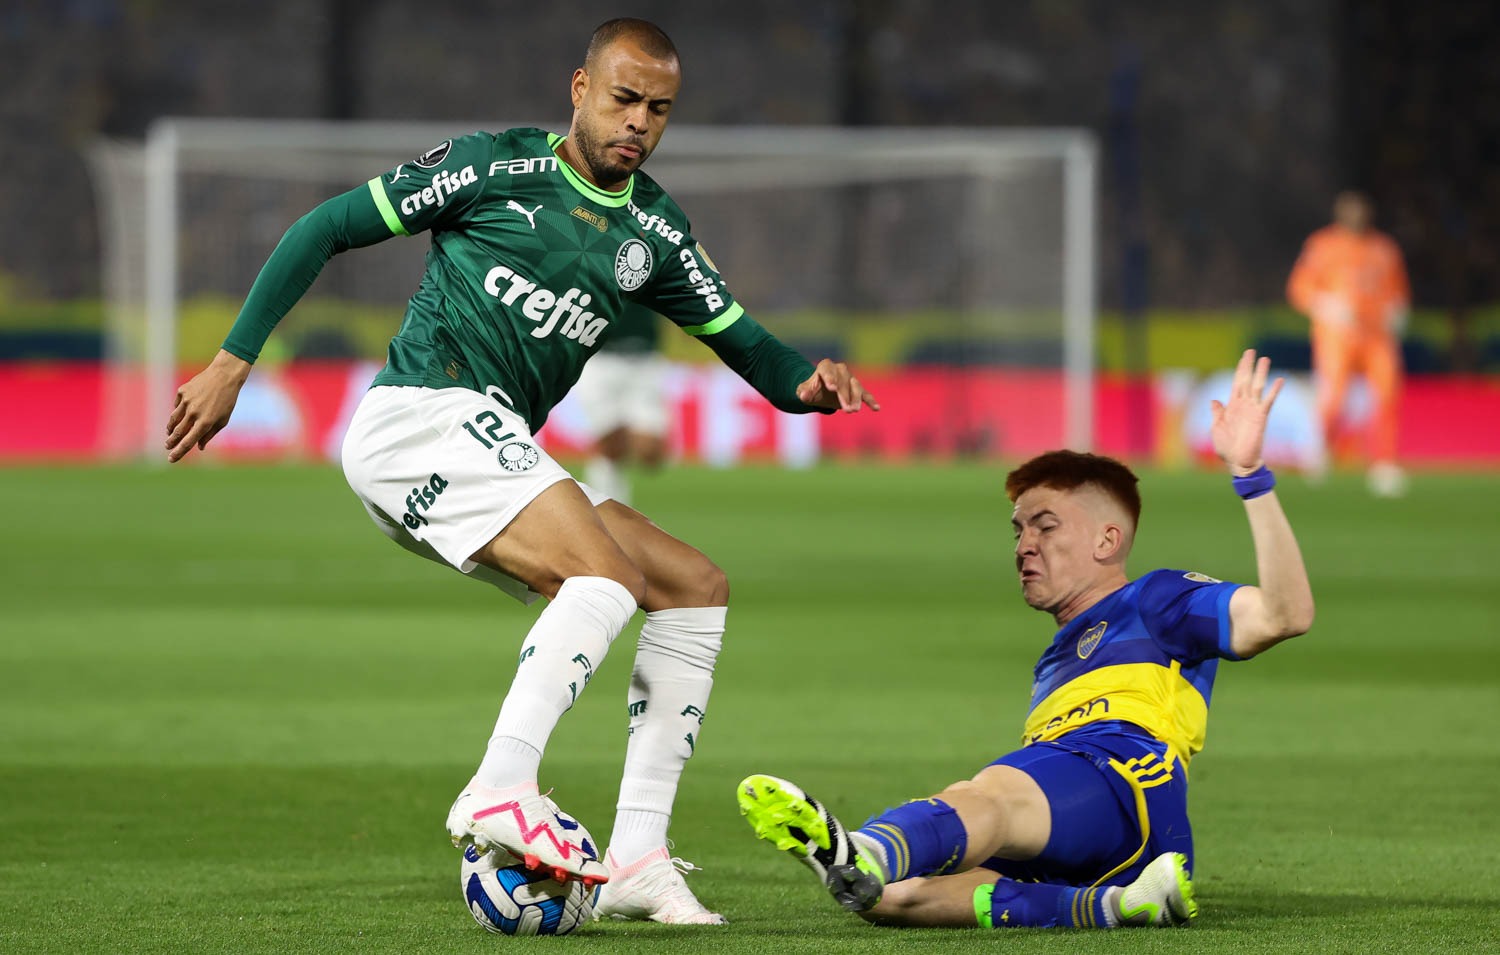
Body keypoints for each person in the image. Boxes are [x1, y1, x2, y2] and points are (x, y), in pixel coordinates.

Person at [165, 17, 878, 926]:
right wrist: (234, 360)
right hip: (421, 415)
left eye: (659, 109)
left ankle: (638, 856)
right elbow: (326, 226)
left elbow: (748, 346)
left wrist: (808, 385)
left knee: (691, 585)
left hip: (488, 442)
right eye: (623, 98)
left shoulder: (655, 231)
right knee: (605, 577)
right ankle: (500, 783)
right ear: (580, 90)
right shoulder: (492, 165)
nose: (639, 122)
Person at [738, 349, 1313, 930]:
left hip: (1124, 782)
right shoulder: (1056, 659)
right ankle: (1122, 904)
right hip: (1111, 840)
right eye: (1018, 530)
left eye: (1046, 526)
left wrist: (1251, 476)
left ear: (1107, 540)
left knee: (989, 797)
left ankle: (867, 849)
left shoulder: (1155, 599)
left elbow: (1285, 615)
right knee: (892, 897)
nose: (1024, 546)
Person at [1286, 190, 1411, 497]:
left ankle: (1384, 462)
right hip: (1337, 336)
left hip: (1377, 336)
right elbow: (1299, 288)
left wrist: (1397, 311)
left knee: (1387, 394)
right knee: (1334, 398)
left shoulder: (1383, 248)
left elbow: (1398, 290)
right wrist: (1326, 305)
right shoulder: (1322, 245)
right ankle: (1320, 452)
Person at [571, 299, 670, 506]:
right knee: (611, 445)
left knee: (650, 453)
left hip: (644, 361)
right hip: (600, 360)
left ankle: (606, 503)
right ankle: (605, 507)